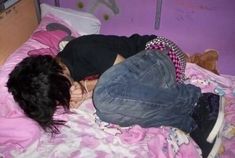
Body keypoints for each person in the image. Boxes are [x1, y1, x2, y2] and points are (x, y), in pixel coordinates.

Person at [7, 34, 221, 157]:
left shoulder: (81, 50)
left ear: (57, 73)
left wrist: (89, 87)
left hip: (161, 55)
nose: (61, 102)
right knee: (106, 113)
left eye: (58, 97)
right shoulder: (65, 72)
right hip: (155, 80)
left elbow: (126, 73)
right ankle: (191, 123)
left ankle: (197, 99)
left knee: (103, 97)